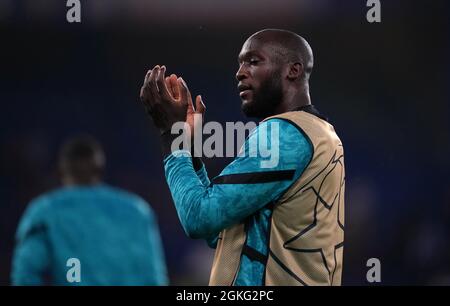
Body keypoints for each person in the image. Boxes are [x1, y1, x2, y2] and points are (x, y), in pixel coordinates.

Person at [140, 29, 345, 286]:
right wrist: (188, 150)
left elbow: (198, 218)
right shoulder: (321, 133)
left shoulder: (284, 135)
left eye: (253, 61)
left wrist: (171, 136)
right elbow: (224, 230)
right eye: (240, 63)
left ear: (292, 70)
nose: (240, 72)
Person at [11, 136, 168, 285]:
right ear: (100, 167)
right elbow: (153, 277)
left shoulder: (44, 211)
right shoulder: (137, 211)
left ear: (63, 169)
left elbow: (25, 274)